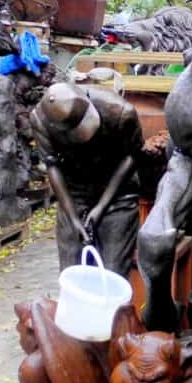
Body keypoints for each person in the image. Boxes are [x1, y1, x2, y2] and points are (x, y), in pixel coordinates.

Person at [30, 82, 143, 278]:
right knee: (71, 273)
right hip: (74, 193)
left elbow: (132, 156)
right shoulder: (40, 120)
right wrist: (73, 218)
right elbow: (52, 165)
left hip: (118, 194)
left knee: (112, 272)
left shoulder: (121, 112)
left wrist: (101, 206)